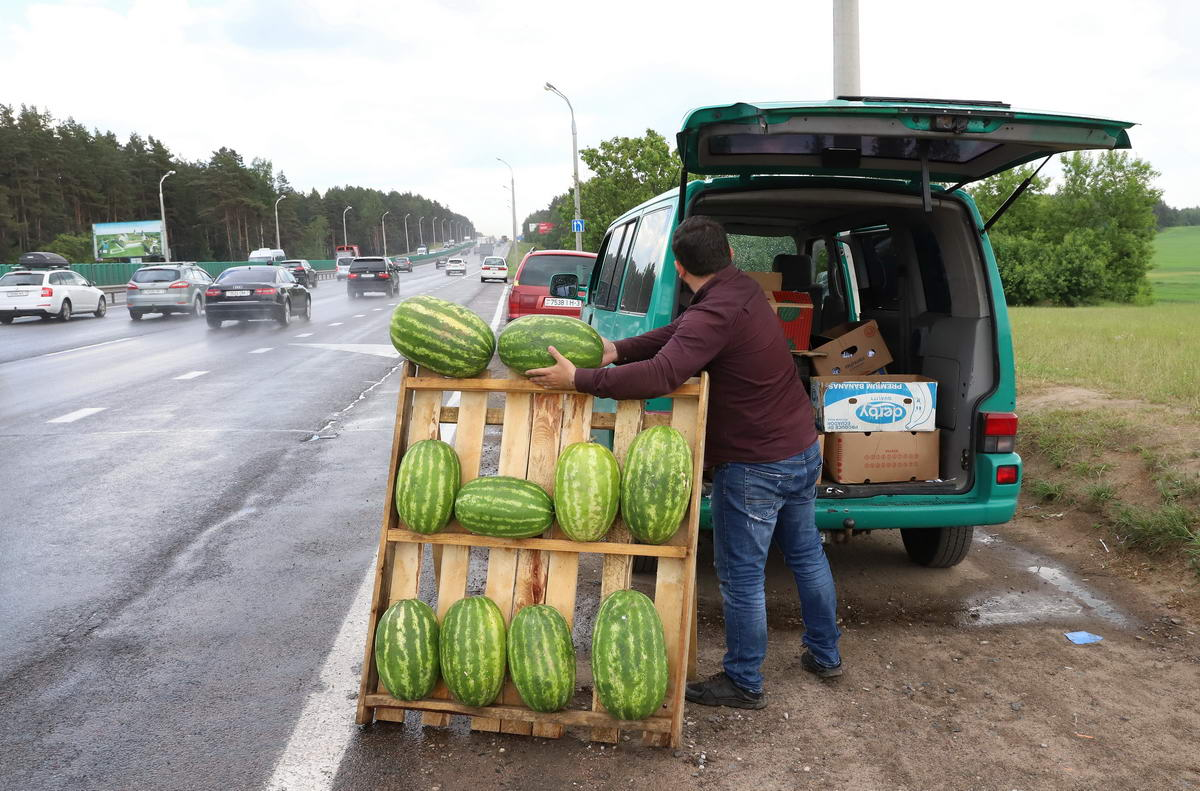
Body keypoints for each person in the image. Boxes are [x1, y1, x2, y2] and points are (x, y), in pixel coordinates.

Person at [526, 216, 842, 710]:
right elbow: (679, 334)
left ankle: (743, 681)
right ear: (730, 255)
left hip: (756, 463)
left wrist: (581, 379)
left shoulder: (713, 309)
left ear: (678, 266)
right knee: (806, 555)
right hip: (801, 447)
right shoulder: (741, 291)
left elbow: (663, 373)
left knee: (742, 576)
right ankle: (825, 654)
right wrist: (616, 349)